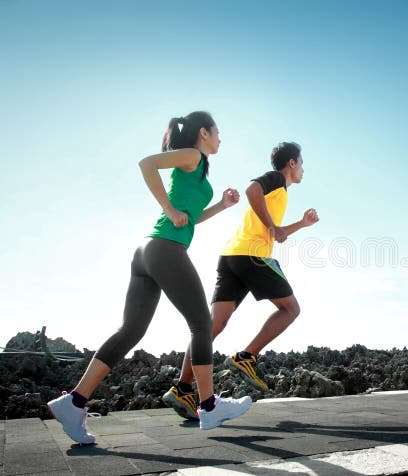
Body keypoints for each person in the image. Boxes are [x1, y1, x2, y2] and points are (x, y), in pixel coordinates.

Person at [47, 111, 253, 445]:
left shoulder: (196, 166)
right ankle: (209, 405)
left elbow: (189, 220)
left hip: (149, 251)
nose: (220, 138)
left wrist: (221, 206)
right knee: (202, 324)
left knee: (130, 331)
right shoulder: (193, 155)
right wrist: (170, 211)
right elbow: (146, 163)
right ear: (203, 132)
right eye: (218, 132)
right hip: (165, 249)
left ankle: (74, 402)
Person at [163, 141, 318, 420]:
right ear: (291, 163)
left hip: (232, 255)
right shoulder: (276, 180)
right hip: (252, 256)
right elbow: (251, 191)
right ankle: (247, 357)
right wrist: (272, 226)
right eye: (302, 163)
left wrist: (301, 225)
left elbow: (276, 233)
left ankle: (182, 388)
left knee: (212, 327)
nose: (303, 169)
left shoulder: (278, 195)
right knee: (291, 309)